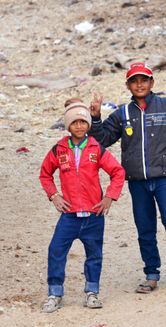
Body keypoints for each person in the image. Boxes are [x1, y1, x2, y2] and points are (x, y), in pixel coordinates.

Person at [89, 62, 166, 293]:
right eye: (134, 81)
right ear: (128, 85)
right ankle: (152, 274)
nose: (139, 84)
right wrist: (96, 118)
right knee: (145, 228)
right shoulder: (123, 114)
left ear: (152, 83)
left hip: (163, 178)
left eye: (144, 80)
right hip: (137, 182)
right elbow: (102, 139)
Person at [39, 100, 125, 312]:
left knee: (94, 254)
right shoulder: (59, 149)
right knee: (56, 250)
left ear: (88, 124)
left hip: (94, 214)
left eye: (83, 122)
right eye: (74, 122)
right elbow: (45, 174)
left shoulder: (97, 148)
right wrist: (54, 196)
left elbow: (118, 172)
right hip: (69, 215)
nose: (79, 126)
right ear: (68, 125)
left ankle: (92, 292)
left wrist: (109, 197)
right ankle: (55, 292)